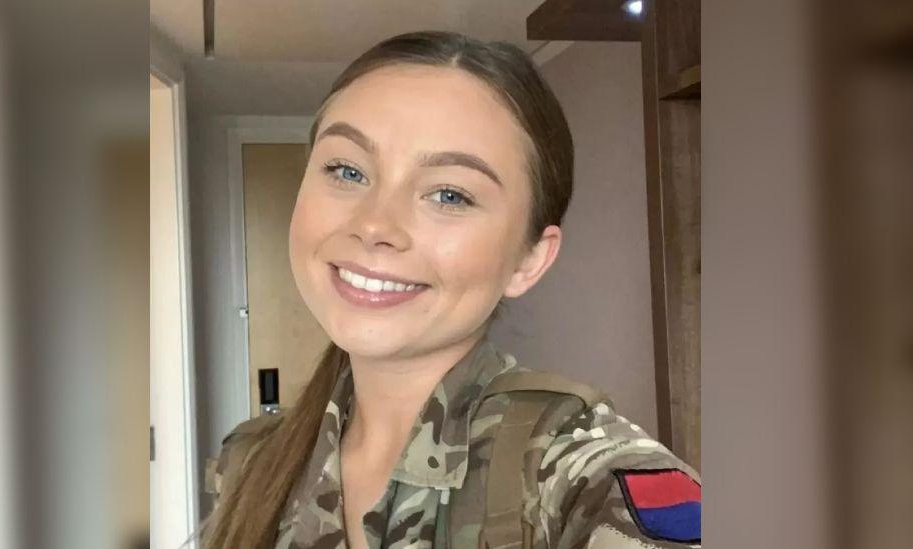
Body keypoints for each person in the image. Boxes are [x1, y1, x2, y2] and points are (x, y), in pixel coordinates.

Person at [200, 30, 700, 549]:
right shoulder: (251, 461)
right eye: (346, 170)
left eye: (449, 194)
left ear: (529, 260)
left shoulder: (580, 479)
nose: (375, 225)